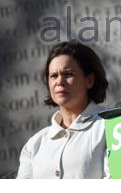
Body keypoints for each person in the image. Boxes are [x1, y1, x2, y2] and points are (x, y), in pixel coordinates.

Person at [17, 41, 110, 178]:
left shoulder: (109, 129)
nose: (59, 81)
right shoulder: (34, 145)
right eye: (53, 75)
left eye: (68, 74)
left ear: (89, 80)